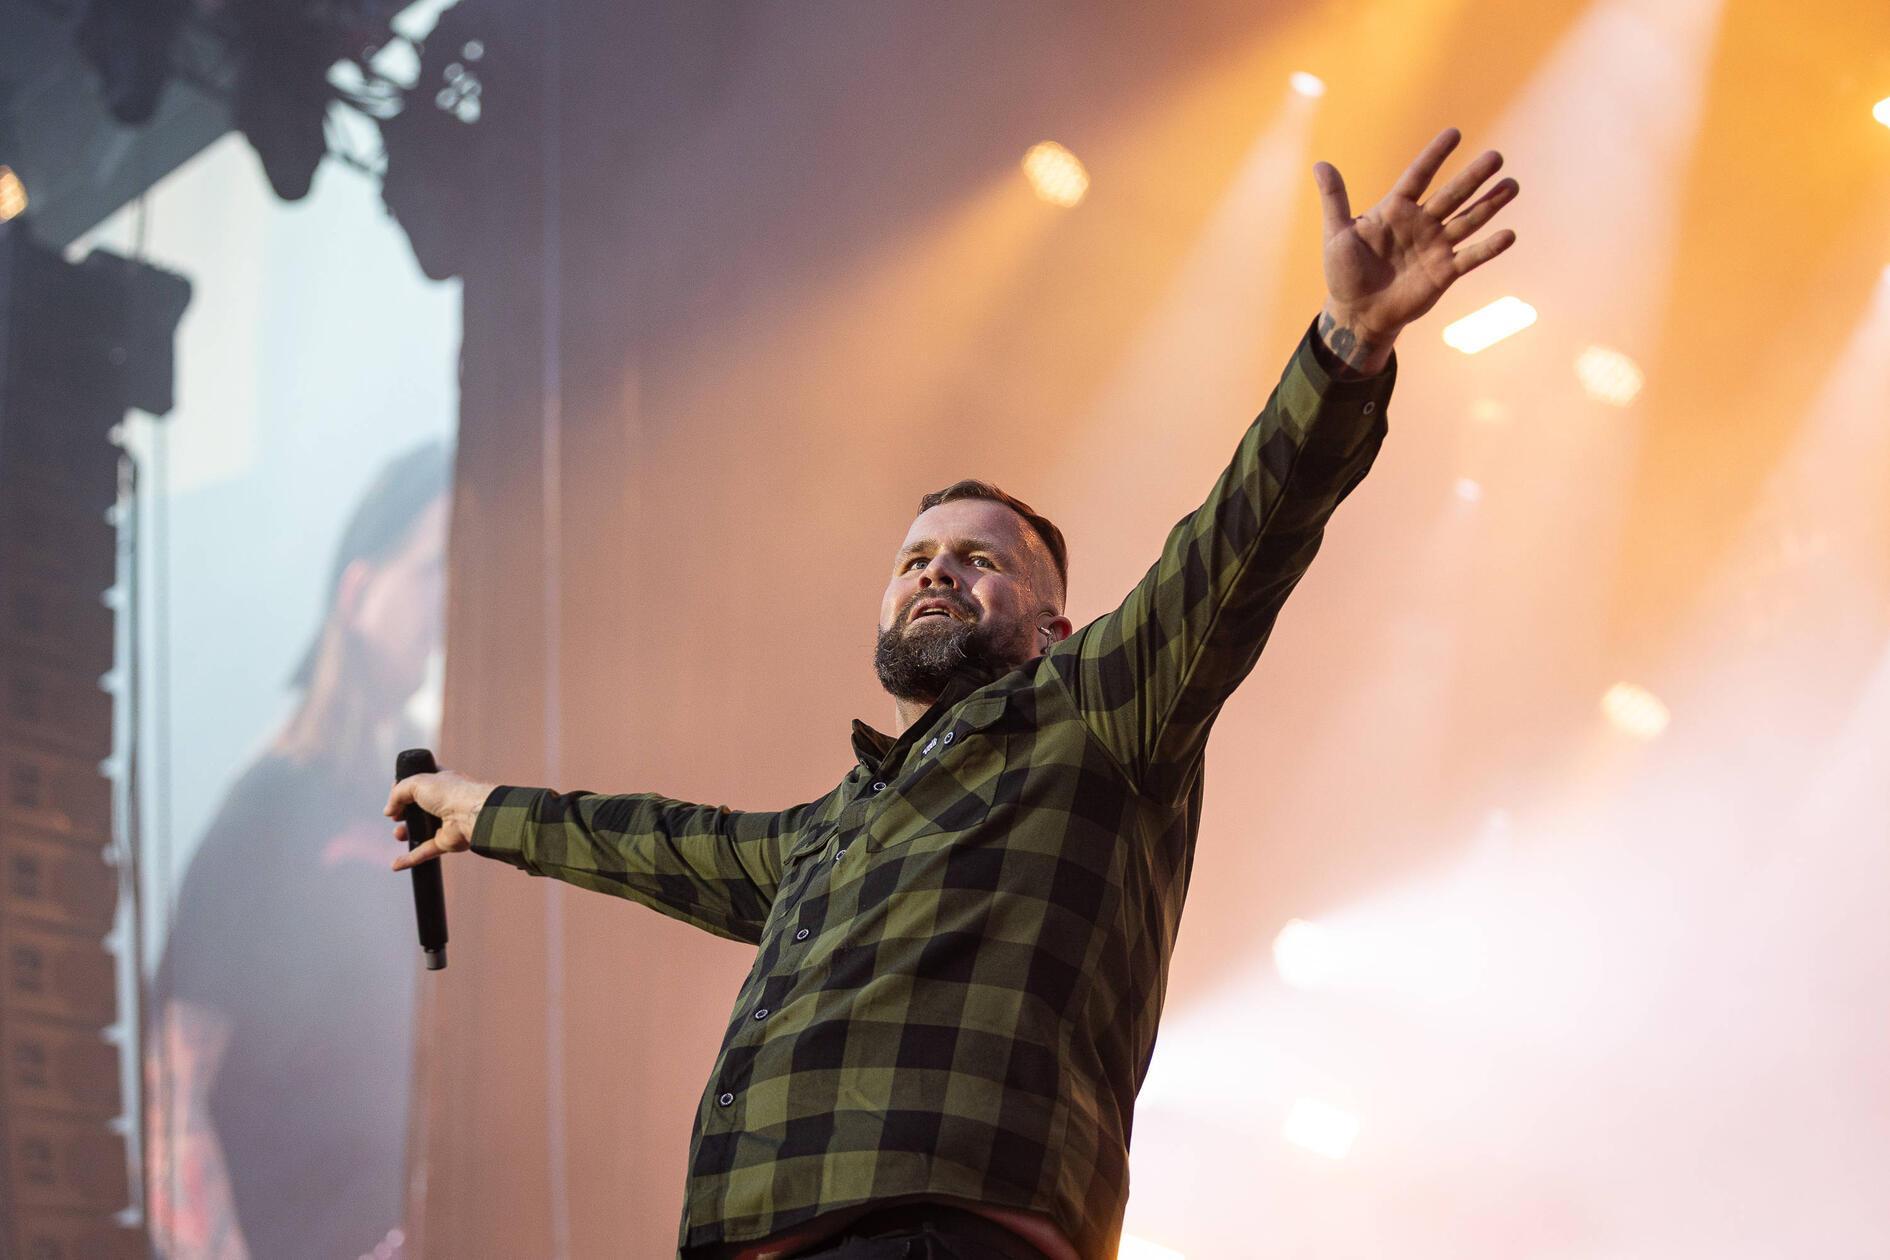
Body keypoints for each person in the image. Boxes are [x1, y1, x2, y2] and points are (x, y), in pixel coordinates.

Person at [387, 129, 1518, 1260]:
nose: (935, 569)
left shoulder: (1096, 714)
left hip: (945, 1233)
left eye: (979, 559)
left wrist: (1347, 343)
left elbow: (1238, 540)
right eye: (915, 557)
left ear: (1052, 623)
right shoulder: (836, 829)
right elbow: (666, 842)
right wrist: (484, 812)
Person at [152, 442, 450, 1260]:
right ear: (358, 593)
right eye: (434, 569)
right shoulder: (274, 804)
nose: (455, 600)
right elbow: (172, 1088)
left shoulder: (449, 805)